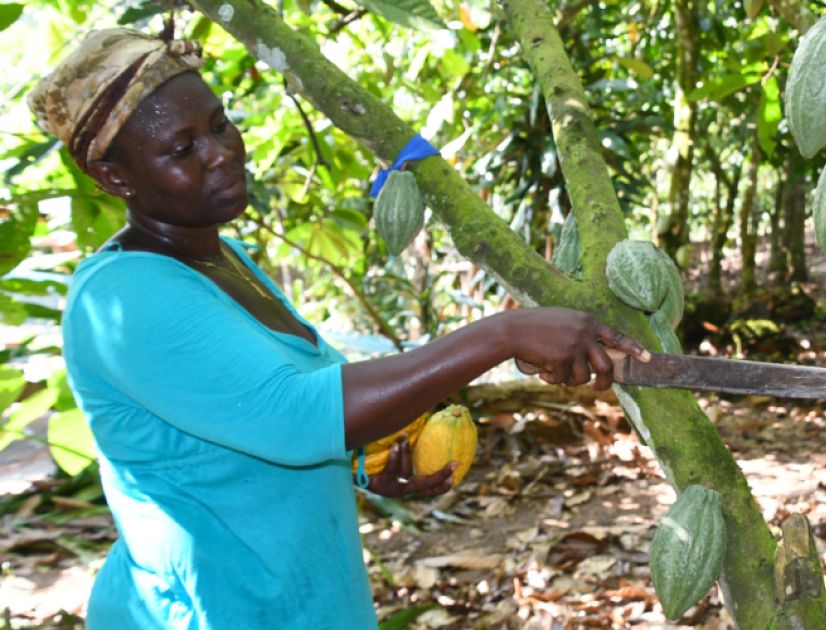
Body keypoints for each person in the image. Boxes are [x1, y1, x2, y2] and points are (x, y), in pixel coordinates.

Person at [28, 27, 649, 629]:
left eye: (218, 125)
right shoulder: (124, 296)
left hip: (302, 601)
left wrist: (363, 463)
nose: (221, 152)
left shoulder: (223, 258)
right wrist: (501, 337)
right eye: (182, 149)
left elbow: (271, 406)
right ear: (116, 178)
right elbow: (296, 414)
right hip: (211, 610)